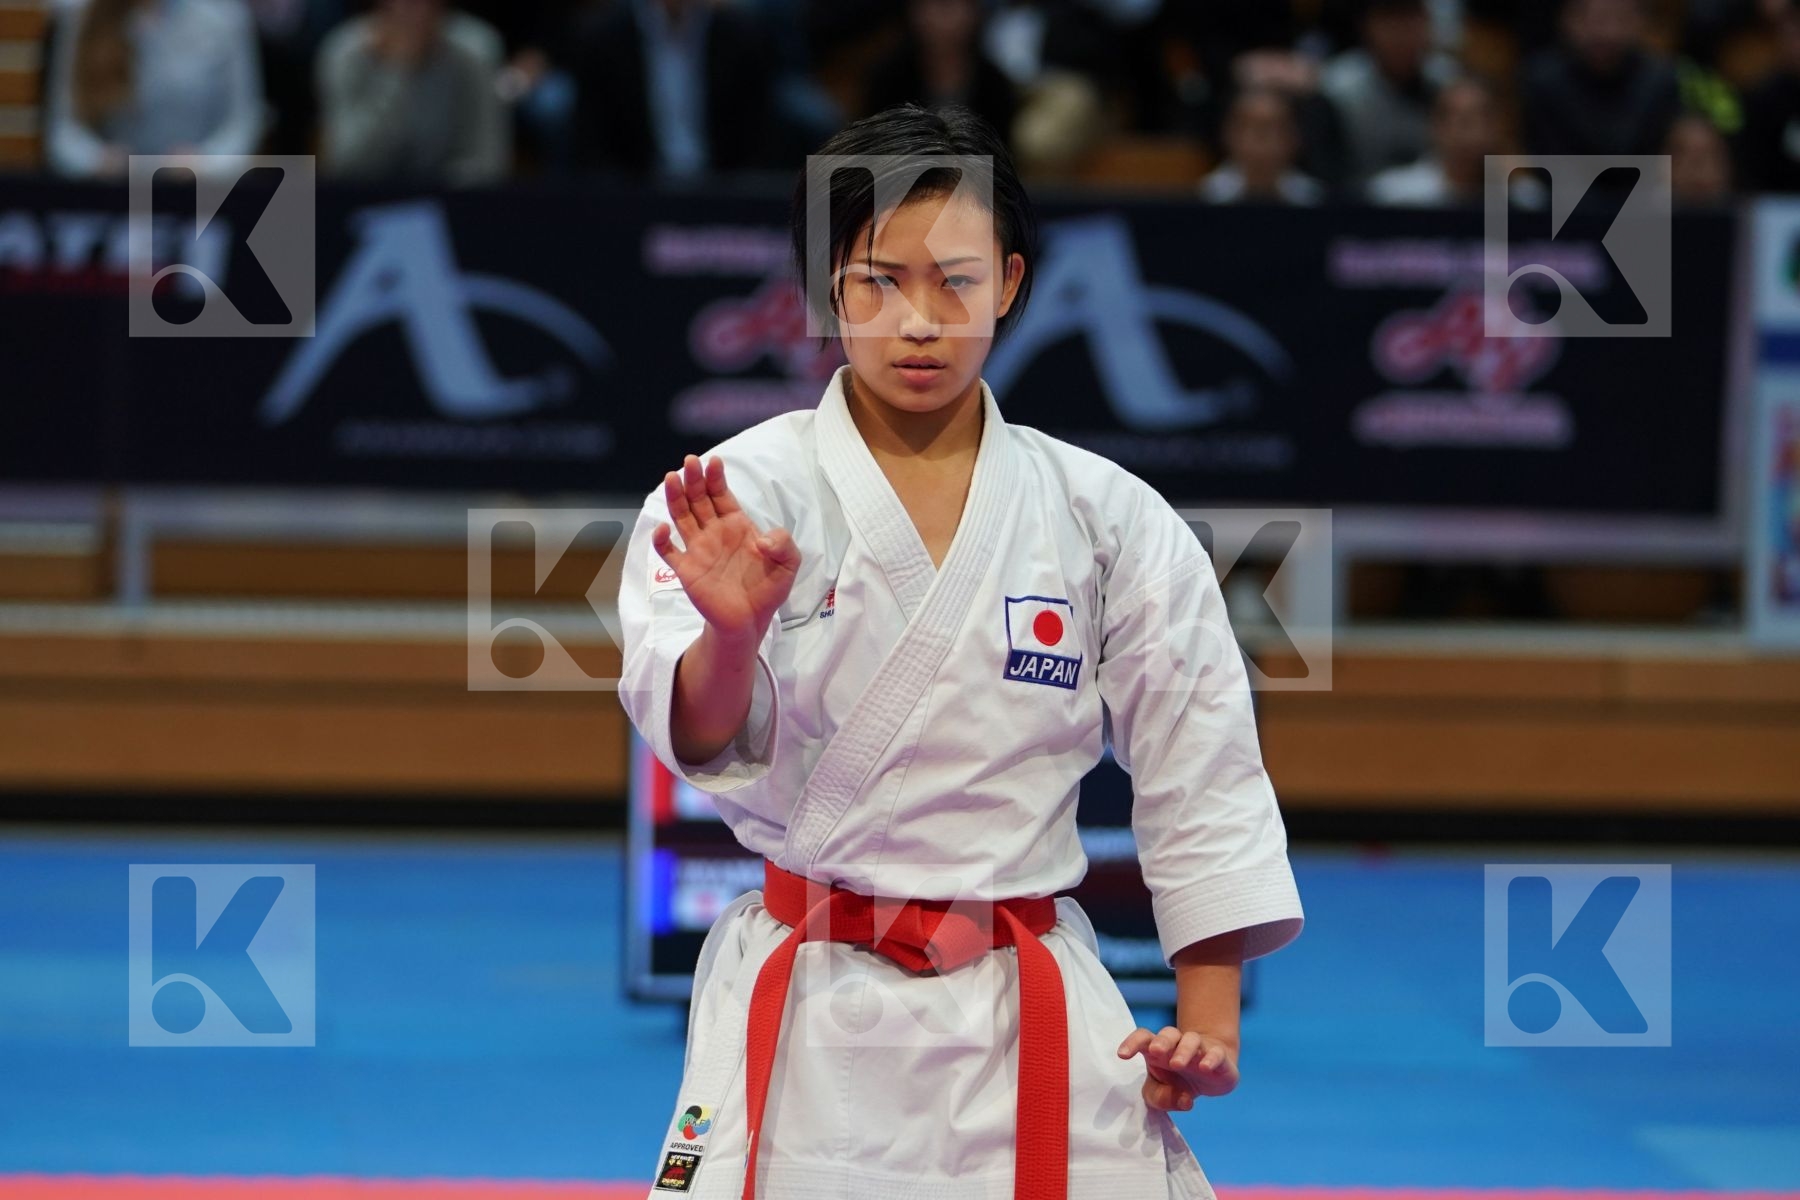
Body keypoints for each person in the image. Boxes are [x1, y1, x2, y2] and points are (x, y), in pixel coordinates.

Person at [617, 102, 1304, 1199]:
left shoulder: (1105, 515)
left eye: (956, 282)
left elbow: (1201, 761)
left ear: (1012, 284)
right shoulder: (736, 495)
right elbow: (697, 737)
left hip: (1027, 1000)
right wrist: (732, 634)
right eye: (878, 283)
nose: (920, 322)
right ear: (827, 291)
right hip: (809, 1006)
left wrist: (1208, 1019)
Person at [43, 0, 266, 179]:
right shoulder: (80, 16)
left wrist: (204, 163)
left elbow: (243, 125)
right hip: (110, 198)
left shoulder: (226, 19)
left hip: (200, 198)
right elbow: (63, 133)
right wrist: (96, 160)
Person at [314, 0, 509, 185]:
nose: (417, 9)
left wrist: (441, 191)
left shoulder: (475, 50)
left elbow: (487, 159)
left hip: (452, 195)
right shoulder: (347, 51)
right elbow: (346, 162)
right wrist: (397, 69)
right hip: (366, 193)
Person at [1319, 0, 1458, 184]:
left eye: (1409, 20)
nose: (1401, 34)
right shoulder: (1336, 87)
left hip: (1440, 195)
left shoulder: (1450, 82)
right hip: (1358, 195)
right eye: (1390, 21)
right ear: (1367, 27)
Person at [1519, 0, 1679, 157]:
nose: (1606, 33)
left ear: (1640, 21)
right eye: (1595, 19)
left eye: (1619, 18)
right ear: (1568, 19)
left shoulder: (1661, 81)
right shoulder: (1540, 81)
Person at [1366, 74, 1504, 205]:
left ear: (1496, 127)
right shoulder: (1392, 194)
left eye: (1479, 120)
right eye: (1462, 121)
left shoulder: (1513, 196)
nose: (1468, 133)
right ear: (1435, 126)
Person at [1199, 84, 1325, 203]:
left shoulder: (1316, 199)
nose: (1262, 140)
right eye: (1253, 129)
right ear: (1228, 134)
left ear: (1294, 136)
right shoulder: (1204, 197)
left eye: (1273, 129)